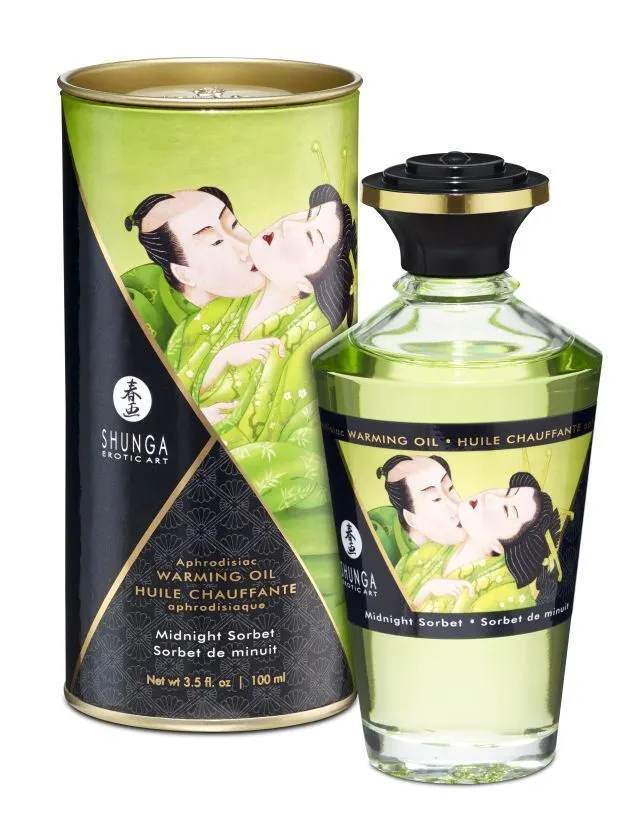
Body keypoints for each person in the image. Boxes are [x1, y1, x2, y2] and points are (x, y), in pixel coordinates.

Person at [122, 187, 263, 347]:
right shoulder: (139, 310)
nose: (246, 248)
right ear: (184, 274)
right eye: (216, 242)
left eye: (234, 225)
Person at [407, 472, 560, 613]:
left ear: (498, 546)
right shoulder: (433, 550)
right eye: (507, 492)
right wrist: (428, 588)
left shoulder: (504, 594)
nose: (490, 497)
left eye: (507, 510)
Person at [370, 454, 463, 566]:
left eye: (450, 488)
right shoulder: (378, 538)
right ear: (412, 519)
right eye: (436, 499)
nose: (456, 508)